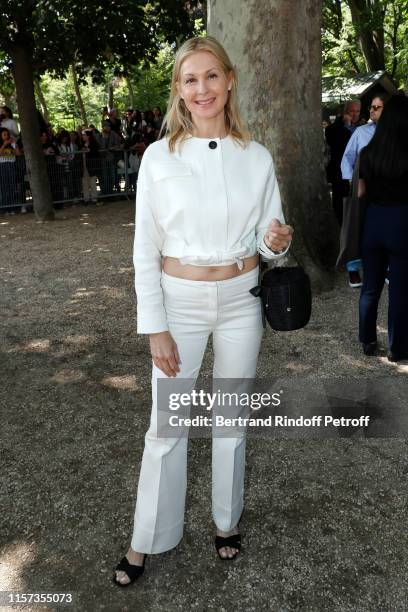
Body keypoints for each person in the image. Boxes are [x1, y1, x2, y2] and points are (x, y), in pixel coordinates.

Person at [113, 35, 293, 587]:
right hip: (180, 304)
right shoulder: (158, 157)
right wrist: (156, 327)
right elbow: (145, 247)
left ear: (229, 80)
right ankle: (147, 538)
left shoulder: (256, 156)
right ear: (179, 91)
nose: (202, 88)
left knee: (230, 420)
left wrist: (279, 243)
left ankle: (225, 523)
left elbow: (271, 241)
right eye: (190, 80)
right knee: (166, 426)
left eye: (211, 76)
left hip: (242, 301)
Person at [358, 95, 408, 361]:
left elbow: (360, 193)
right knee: (400, 289)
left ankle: (367, 340)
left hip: (373, 220)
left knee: (370, 286)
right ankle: (397, 348)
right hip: (401, 221)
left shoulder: (368, 153)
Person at [340, 94, 387, 288]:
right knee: (355, 226)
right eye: (371, 107)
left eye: (377, 107)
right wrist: (354, 181)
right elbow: (347, 158)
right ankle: (353, 269)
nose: (372, 110)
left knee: (382, 227)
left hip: (386, 189)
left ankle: (384, 266)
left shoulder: (395, 133)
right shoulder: (361, 132)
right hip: (362, 188)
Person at [325, 100, 361, 227]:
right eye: (352, 111)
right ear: (345, 112)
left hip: (358, 173)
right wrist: (346, 126)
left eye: (357, 111)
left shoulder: (361, 127)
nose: (355, 114)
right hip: (340, 174)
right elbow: (338, 145)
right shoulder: (333, 129)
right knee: (340, 207)